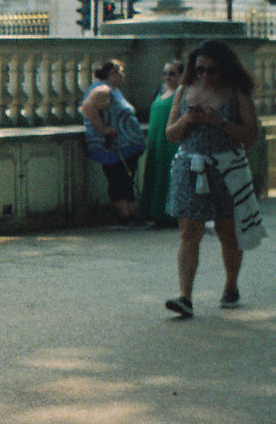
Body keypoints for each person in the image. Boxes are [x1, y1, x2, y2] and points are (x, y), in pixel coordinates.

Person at [163, 40, 265, 317]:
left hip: (226, 167)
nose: (205, 75)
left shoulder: (236, 94)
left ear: (225, 70)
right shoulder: (184, 90)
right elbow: (170, 134)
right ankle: (185, 297)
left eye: (212, 70)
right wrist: (187, 121)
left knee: (226, 230)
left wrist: (218, 122)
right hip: (190, 165)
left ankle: (231, 286)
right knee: (189, 230)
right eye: (200, 70)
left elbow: (252, 136)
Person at [80, 59, 147, 227]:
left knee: (126, 178)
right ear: (113, 73)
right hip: (114, 148)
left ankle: (130, 213)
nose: (123, 75)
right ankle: (124, 216)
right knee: (118, 178)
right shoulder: (103, 89)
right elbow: (88, 107)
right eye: (121, 72)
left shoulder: (114, 91)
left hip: (126, 148)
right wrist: (104, 129)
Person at [137, 60, 183, 227]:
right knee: (155, 173)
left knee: (169, 175)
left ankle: (170, 214)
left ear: (181, 75)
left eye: (172, 73)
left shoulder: (182, 94)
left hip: (171, 142)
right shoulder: (160, 91)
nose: (168, 77)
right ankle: (154, 212)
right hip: (156, 139)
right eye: (165, 73)